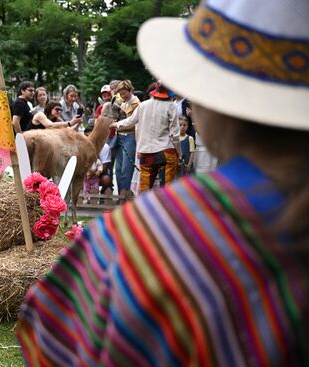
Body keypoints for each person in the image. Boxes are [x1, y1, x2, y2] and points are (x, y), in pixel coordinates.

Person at [16, 1, 308, 365]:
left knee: (146, 185)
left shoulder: (140, 241)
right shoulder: (164, 111)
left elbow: (51, 341)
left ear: (210, 103)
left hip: (146, 154)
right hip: (162, 151)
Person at [114, 80, 141, 196]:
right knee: (119, 169)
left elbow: (132, 124)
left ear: (131, 90)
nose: (122, 96)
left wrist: (117, 126)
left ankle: (126, 196)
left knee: (126, 169)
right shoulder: (124, 103)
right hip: (120, 137)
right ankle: (121, 195)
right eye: (120, 94)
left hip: (130, 137)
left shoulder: (136, 104)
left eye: (124, 93)